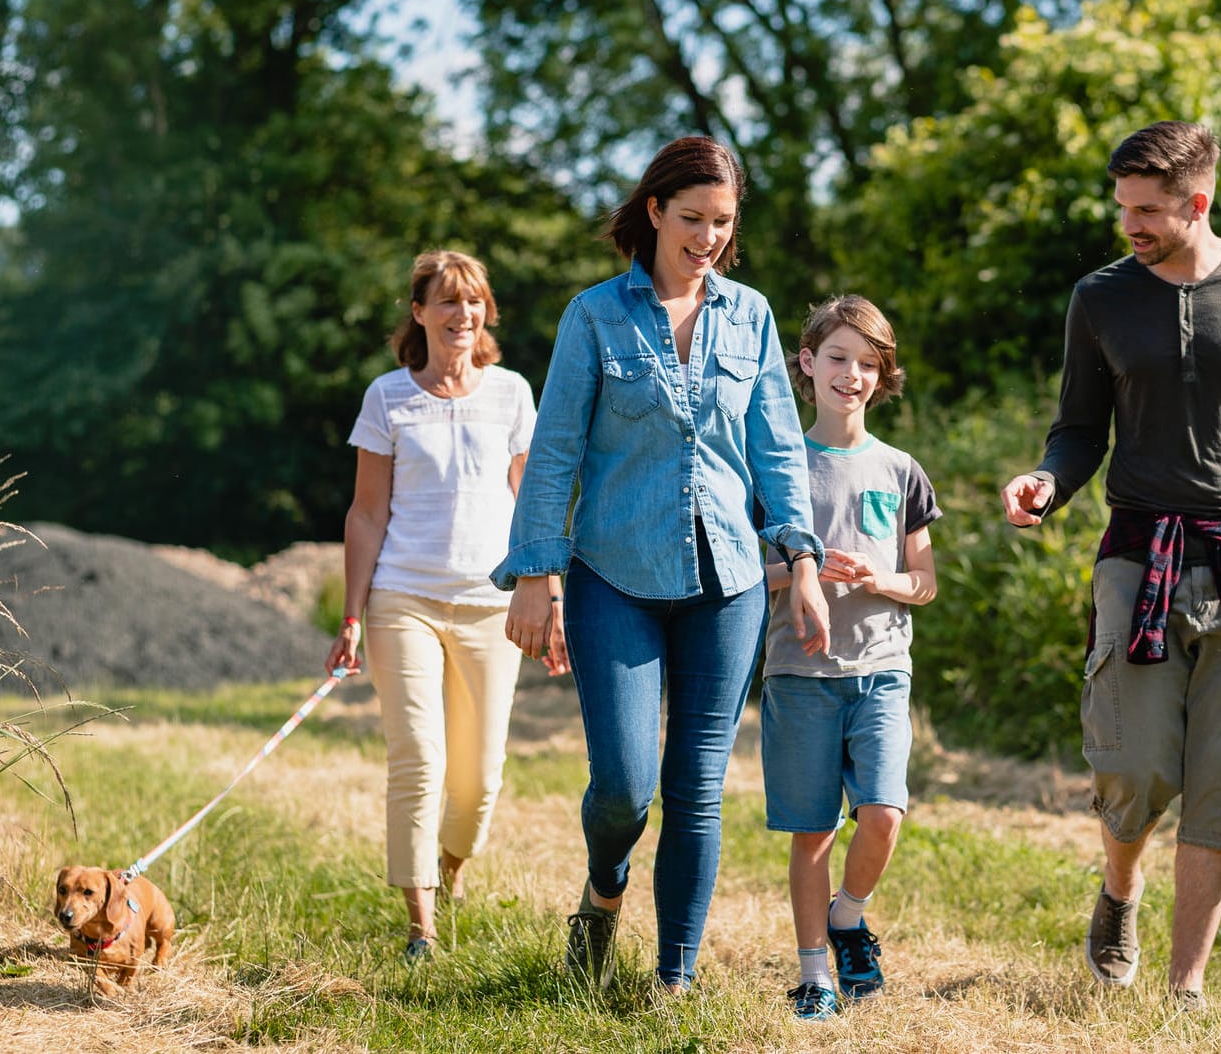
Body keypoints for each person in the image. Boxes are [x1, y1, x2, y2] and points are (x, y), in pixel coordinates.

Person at [1000, 121, 1221, 1012]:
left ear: (1196, 204)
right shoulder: (1100, 297)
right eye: (1122, 206)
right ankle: (1119, 890)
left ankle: (1183, 990)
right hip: (1138, 553)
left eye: (1147, 210)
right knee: (1131, 764)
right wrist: (1049, 480)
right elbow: (1079, 426)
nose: (1128, 223)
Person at [491, 136, 831, 994]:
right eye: (691, 219)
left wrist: (803, 558)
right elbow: (557, 449)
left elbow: (778, 451)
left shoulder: (748, 315)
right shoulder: (594, 315)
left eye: (722, 222)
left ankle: (671, 980)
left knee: (698, 789)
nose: (708, 237)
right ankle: (604, 890)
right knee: (625, 788)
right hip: (615, 576)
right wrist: (536, 572)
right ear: (653, 211)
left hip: (730, 584)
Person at [326, 249, 566, 962]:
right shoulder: (387, 397)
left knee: (480, 778)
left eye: (473, 301)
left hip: (490, 605)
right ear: (420, 313)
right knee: (419, 758)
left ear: (485, 311)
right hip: (403, 600)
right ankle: (419, 925)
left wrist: (548, 593)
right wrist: (351, 616)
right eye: (447, 301)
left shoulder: (512, 393)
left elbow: (533, 505)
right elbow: (367, 515)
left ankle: (450, 869)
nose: (462, 314)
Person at [761, 295, 940, 1020]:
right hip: (799, 674)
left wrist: (878, 579)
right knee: (812, 831)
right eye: (837, 358)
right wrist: (800, 568)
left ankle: (848, 918)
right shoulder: (776, 468)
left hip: (881, 670)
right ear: (807, 363)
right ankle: (814, 976)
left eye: (867, 363)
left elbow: (923, 583)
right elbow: (747, 571)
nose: (852, 374)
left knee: (884, 814)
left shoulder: (900, 469)